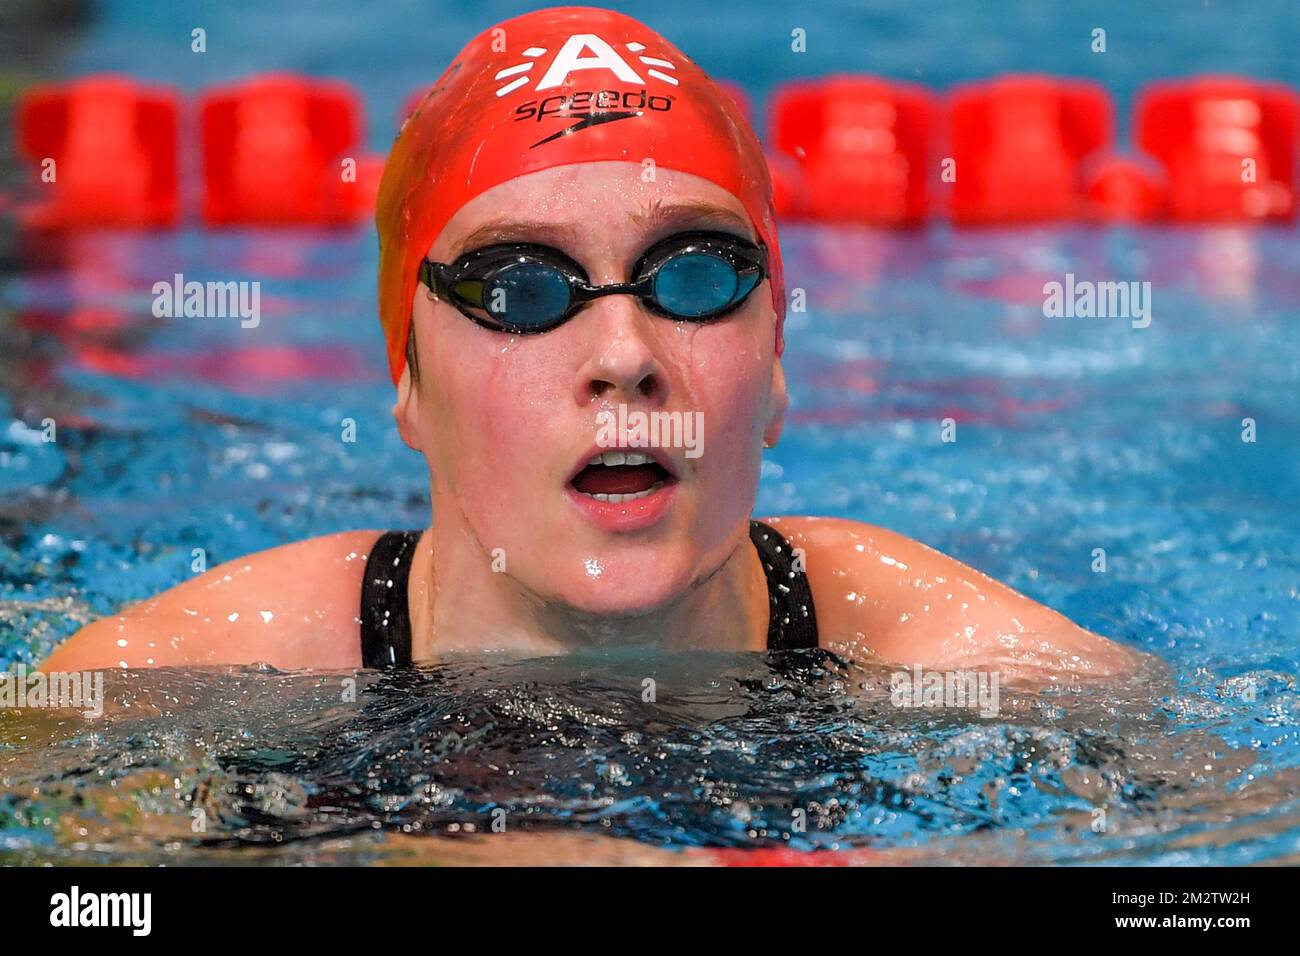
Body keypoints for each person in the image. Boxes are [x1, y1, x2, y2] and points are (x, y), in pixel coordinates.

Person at [40, 5, 1142, 678]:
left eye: (696, 275)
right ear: (409, 382)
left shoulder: (965, 665)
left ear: (776, 364)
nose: (623, 350)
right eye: (520, 289)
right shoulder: (180, 679)